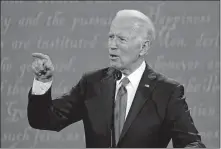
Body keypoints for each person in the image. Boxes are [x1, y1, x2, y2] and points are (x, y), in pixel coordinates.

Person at [28, 10, 206, 148]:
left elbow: (191, 143)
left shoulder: (167, 92)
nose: (112, 45)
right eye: (111, 37)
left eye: (121, 39)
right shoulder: (92, 84)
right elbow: (43, 119)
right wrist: (42, 82)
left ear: (143, 48)